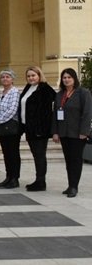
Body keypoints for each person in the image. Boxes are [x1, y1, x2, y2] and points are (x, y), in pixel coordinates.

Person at [53, 68, 92, 198]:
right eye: (64, 78)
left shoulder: (83, 93)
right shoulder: (60, 94)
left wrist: (84, 131)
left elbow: (87, 113)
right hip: (64, 132)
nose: (66, 80)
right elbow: (55, 114)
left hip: (77, 133)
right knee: (68, 159)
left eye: (69, 77)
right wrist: (55, 132)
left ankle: (74, 186)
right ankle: (70, 184)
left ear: (74, 78)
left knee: (75, 160)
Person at [19, 66, 55, 192]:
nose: (31, 78)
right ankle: (38, 179)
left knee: (40, 155)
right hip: (29, 128)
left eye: (33, 75)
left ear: (39, 75)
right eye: (28, 76)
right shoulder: (28, 87)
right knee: (36, 155)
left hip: (39, 129)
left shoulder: (45, 89)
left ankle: (41, 181)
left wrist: (42, 128)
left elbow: (47, 112)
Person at [0, 69, 21, 188]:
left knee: (13, 153)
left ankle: (15, 178)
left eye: (7, 77)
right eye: (3, 77)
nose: (5, 79)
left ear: (12, 79)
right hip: (2, 127)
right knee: (6, 153)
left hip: (11, 126)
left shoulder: (14, 92)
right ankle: (8, 176)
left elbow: (12, 109)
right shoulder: (2, 93)